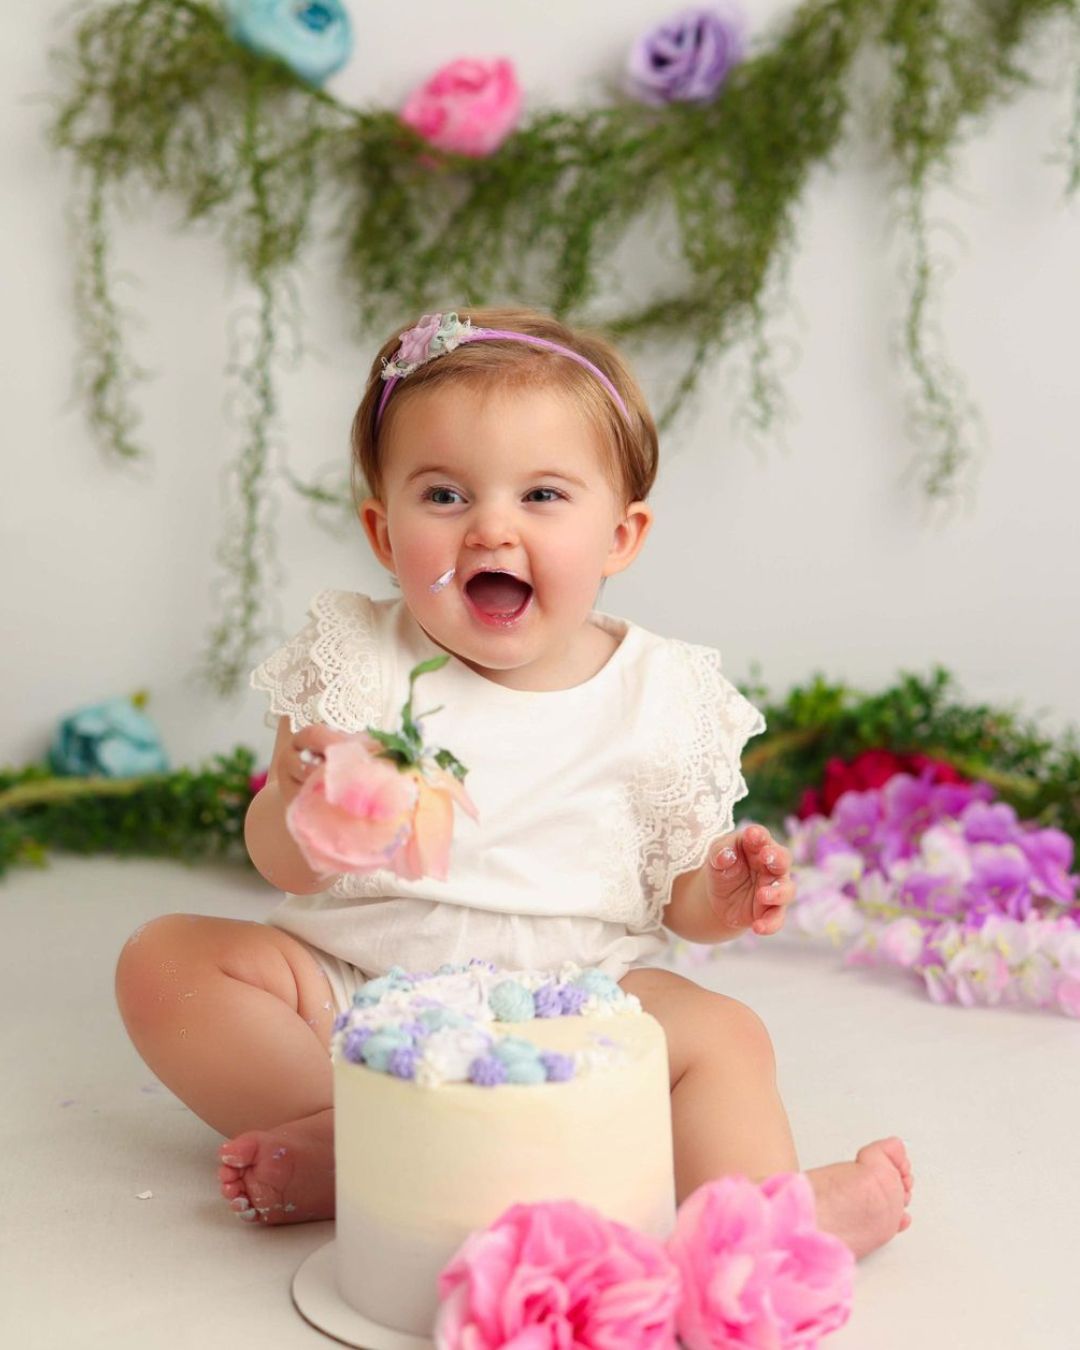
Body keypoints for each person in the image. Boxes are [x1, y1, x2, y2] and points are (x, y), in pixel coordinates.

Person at [116, 306, 913, 1255]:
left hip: (582, 1006)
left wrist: (723, 891)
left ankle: (764, 1219)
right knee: (166, 962)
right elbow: (290, 868)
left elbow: (678, 899)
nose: (492, 526)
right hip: (364, 1000)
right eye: (445, 496)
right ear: (381, 528)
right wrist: (296, 803)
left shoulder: (661, 692)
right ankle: (359, 1137)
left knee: (724, 1035)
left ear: (621, 535)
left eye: (542, 495)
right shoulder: (358, 661)